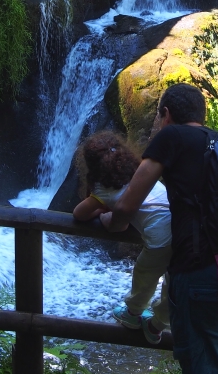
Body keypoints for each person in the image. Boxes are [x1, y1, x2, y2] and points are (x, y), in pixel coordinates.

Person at [99, 83, 218, 374]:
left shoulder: (171, 137)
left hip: (201, 275)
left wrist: (110, 221)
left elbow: (128, 205)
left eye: (159, 117)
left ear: (166, 115)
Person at [72, 131, 172, 345]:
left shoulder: (104, 190)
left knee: (144, 275)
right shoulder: (141, 172)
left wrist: (102, 211)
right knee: (174, 284)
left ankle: (133, 313)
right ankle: (158, 324)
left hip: (159, 240)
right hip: (182, 230)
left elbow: (79, 214)